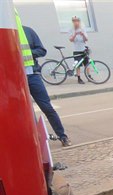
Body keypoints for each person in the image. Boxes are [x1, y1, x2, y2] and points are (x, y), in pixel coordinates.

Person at [14, 11, 71, 146]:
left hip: (32, 75)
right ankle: (35, 142)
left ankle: (62, 136)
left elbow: (42, 50)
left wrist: (27, 53)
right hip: (16, 78)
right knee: (26, 112)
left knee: (47, 107)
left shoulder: (28, 31)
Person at [69, 16, 88, 84]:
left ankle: (89, 76)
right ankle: (79, 78)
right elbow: (71, 40)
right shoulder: (71, 29)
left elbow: (86, 39)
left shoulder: (83, 28)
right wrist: (75, 34)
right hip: (76, 50)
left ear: (79, 22)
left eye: (77, 21)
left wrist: (83, 34)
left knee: (87, 64)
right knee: (78, 65)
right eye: (74, 21)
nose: (76, 22)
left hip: (83, 49)